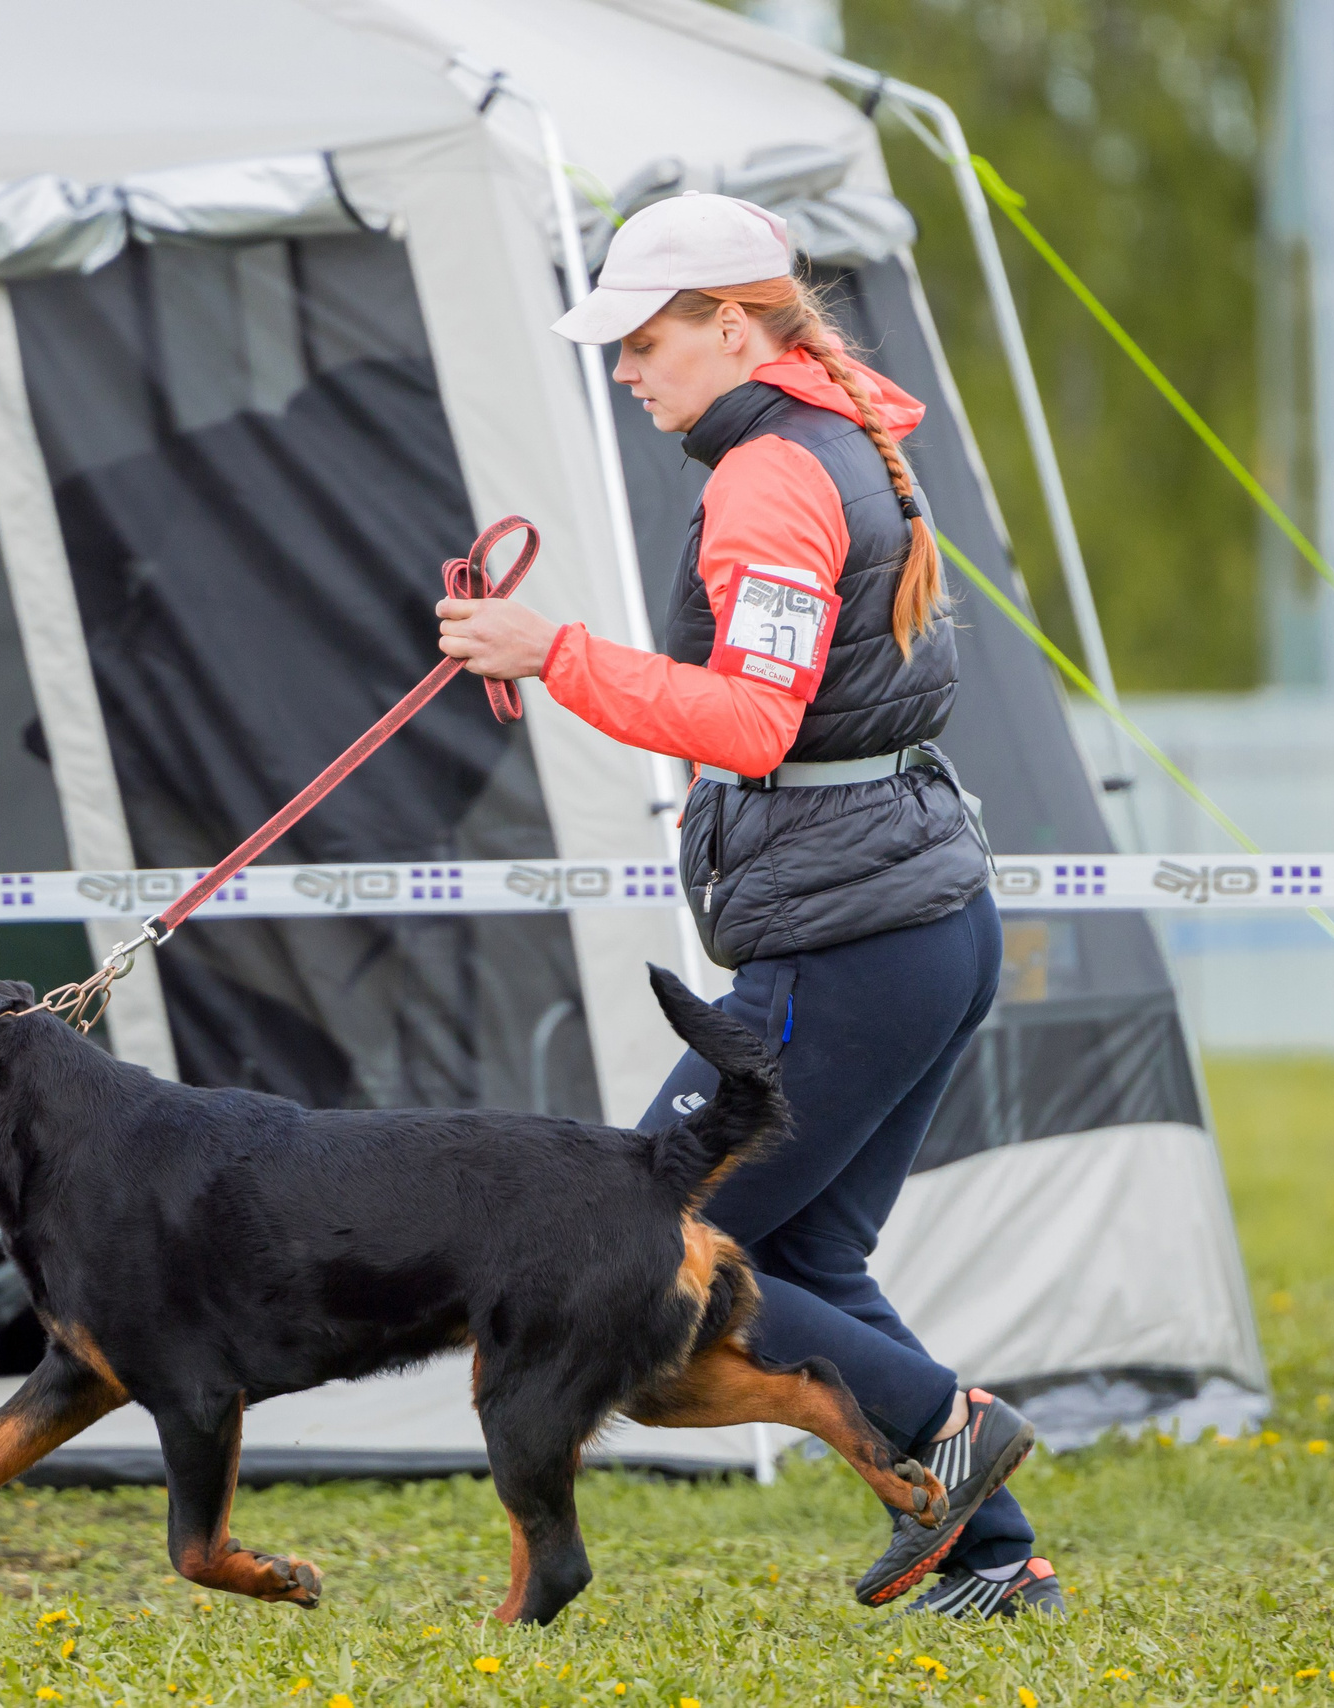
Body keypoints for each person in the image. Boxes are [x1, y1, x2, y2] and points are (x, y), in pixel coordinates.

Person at [435, 194, 1058, 1619]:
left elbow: (753, 722)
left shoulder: (771, 475)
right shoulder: (841, 439)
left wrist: (553, 651)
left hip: (846, 942)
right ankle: (996, 1556)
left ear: (732, 323)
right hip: (918, 926)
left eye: (646, 341)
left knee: (634, 1251)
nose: (626, 370)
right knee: (806, 1255)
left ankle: (957, 1434)